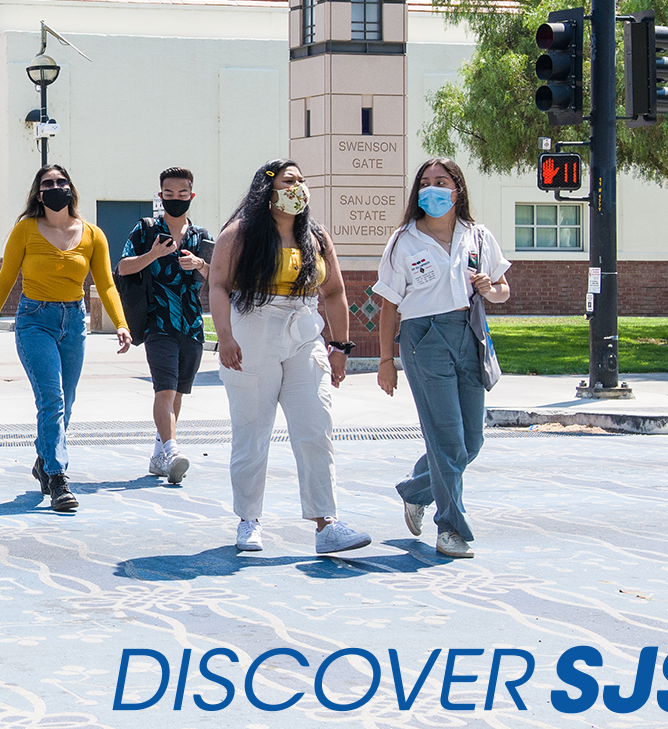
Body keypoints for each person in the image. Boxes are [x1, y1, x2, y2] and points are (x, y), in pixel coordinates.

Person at [209, 160, 371, 556]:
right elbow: (218, 285)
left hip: (304, 334)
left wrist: (340, 347)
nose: (299, 187)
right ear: (268, 190)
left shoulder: (315, 236)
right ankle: (248, 520)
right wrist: (226, 337)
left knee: (316, 427)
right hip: (253, 332)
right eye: (289, 181)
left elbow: (333, 292)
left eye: (302, 180)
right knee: (252, 432)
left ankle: (326, 523)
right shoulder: (240, 234)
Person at [374, 157, 512, 560]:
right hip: (424, 339)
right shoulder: (404, 240)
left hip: (468, 335)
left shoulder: (479, 236)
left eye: (442, 181)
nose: (433, 189)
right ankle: (451, 527)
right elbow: (388, 304)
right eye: (426, 182)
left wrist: (490, 289)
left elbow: (503, 289)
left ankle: (416, 490)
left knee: (471, 440)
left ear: (458, 189)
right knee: (446, 438)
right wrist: (386, 360)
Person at [0, 164, 132, 512]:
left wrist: (120, 323)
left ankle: (44, 459)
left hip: (74, 322)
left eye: (61, 182)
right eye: (48, 183)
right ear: (38, 193)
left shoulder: (93, 234)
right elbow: (5, 279)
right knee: (52, 399)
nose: (56, 187)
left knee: (68, 401)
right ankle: (58, 478)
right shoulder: (26, 230)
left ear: (71, 190)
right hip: (35, 321)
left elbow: (105, 283)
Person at [117, 167, 213, 483]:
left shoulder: (201, 237)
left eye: (182, 194)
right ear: (161, 196)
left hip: (191, 325)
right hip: (158, 323)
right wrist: (153, 254)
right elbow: (123, 267)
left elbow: (221, 279)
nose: (175, 199)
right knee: (165, 389)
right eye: (169, 194)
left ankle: (160, 452)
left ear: (191, 196)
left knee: (179, 393)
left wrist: (200, 264)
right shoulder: (146, 231)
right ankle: (172, 450)